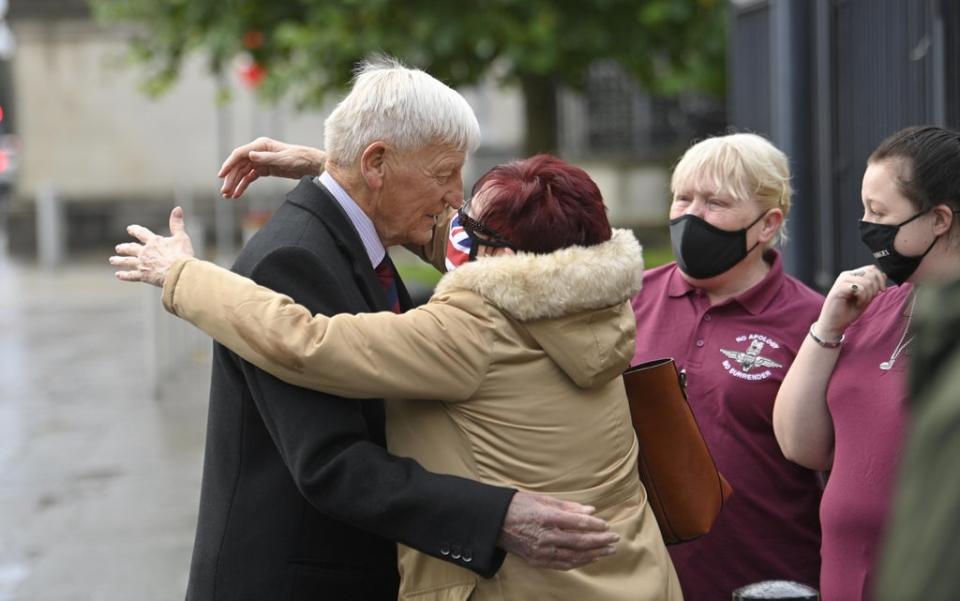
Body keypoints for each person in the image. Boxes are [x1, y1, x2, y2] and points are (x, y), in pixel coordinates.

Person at [111, 58, 618, 601]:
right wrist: (497, 517)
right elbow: (332, 463)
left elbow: (482, 252)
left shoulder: (356, 227)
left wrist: (320, 165)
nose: (455, 197)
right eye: (445, 173)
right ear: (376, 163)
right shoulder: (293, 257)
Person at [628, 133, 824, 598]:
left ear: (766, 224)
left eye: (715, 202)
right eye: (683, 198)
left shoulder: (814, 322)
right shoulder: (627, 301)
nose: (692, 216)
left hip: (767, 578)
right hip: (641, 578)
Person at [773, 125, 960, 601]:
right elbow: (802, 445)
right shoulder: (875, 307)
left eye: (879, 212)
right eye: (864, 208)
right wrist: (827, 329)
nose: (866, 225)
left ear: (939, 219)